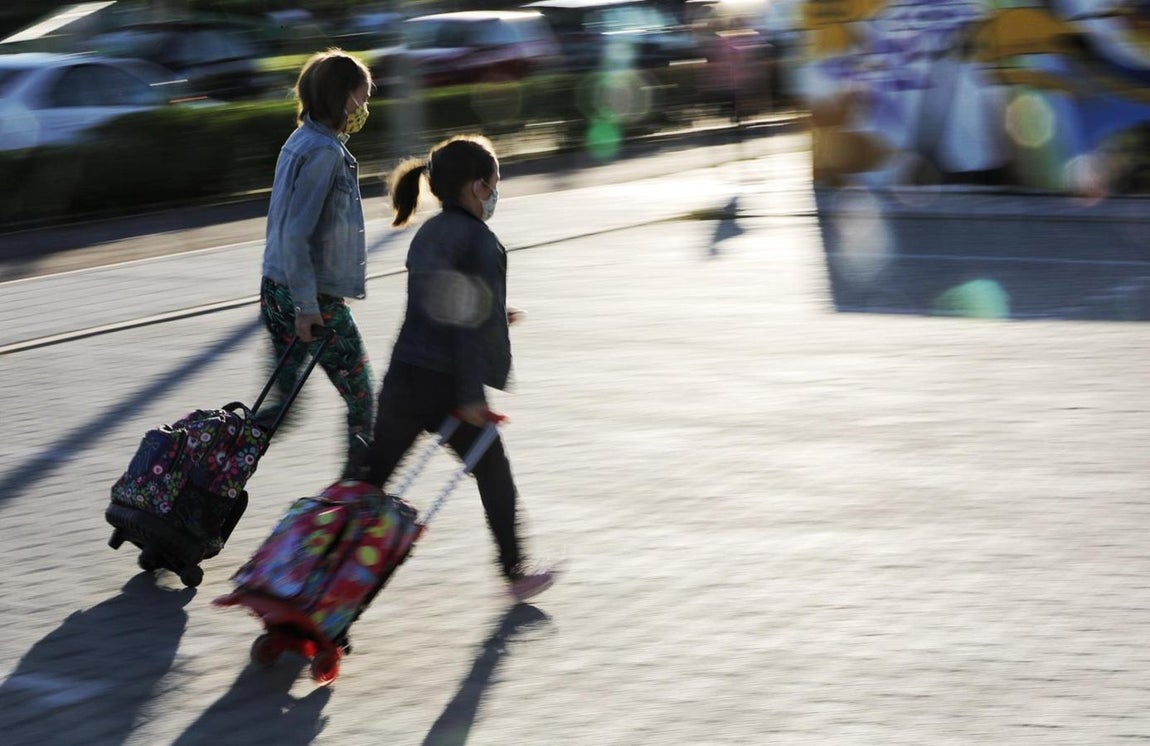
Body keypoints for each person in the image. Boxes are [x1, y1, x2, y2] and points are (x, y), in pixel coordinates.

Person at [360, 135, 555, 602]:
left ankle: (309, 577)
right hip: (448, 383)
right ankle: (514, 572)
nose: (495, 193)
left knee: (366, 487)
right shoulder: (481, 242)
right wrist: (470, 397)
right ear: (476, 187)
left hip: (405, 373)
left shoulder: (428, 232)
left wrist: (492, 316)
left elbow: (442, 304)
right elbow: (463, 324)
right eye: (494, 184)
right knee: (493, 471)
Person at [258, 49, 375, 478]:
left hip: (276, 288)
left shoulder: (299, 140)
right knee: (363, 402)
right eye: (361, 99)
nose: (363, 109)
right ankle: (353, 500)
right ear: (342, 98)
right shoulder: (324, 152)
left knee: (281, 405)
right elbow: (297, 233)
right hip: (311, 298)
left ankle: (211, 465)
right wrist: (307, 307)